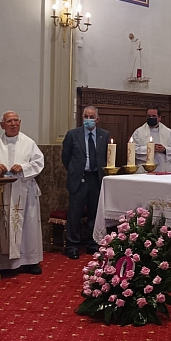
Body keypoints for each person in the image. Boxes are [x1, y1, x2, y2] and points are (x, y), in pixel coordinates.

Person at [0, 111, 44, 275]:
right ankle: (5, 264)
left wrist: (23, 167)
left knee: (28, 226)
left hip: (25, 191)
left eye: (16, 120)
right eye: (9, 121)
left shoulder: (28, 143)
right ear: (2, 124)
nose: (14, 124)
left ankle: (30, 261)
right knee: (5, 226)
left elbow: (39, 162)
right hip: (4, 193)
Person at [61, 105, 109, 260]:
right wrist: (75, 171)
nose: (88, 120)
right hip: (79, 179)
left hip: (96, 178)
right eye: (86, 117)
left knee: (95, 213)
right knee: (75, 213)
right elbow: (65, 157)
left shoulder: (104, 135)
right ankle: (72, 245)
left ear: (97, 119)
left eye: (91, 117)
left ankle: (93, 243)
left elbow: (107, 155)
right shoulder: (72, 134)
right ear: (82, 117)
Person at [132, 107, 171, 173]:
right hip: (144, 167)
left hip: (163, 166)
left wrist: (165, 150)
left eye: (154, 116)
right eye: (149, 116)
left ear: (159, 118)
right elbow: (132, 149)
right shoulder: (139, 132)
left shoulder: (168, 132)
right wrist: (150, 149)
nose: (151, 118)